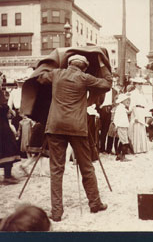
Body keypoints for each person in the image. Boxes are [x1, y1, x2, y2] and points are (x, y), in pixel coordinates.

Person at [37, 54, 111, 221]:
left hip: (55, 126)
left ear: (69, 64)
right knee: (86, 166)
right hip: (77, 127)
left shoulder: (57, 74)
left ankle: (56, 212)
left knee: (56, 170)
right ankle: (95, 203)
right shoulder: (84, 77)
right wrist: (102, 64)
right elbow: (107, 83)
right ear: (84, 67)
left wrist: (55, 63)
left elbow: (40, 78)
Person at [0, 70, 21, 185]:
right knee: (8, 144)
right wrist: (9, 110)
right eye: (2, 78)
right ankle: (7, 176)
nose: (2, 80)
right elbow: (2, 106)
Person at [128, 77, 149, 154]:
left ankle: (142, 147)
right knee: (136, 128)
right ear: (135, 85)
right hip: (136, 110)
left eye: (141, 84)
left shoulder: (141, 93)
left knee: (141, 128)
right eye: (139, 84)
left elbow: (145, 104)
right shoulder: (133, 93)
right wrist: (135, 115)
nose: (140, 86)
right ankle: (136, 148)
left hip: (141, 111)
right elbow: (133, 105)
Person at [98, 81, 118, 154]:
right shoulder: (102, 90)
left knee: (109, 129)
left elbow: (116, 101)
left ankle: (108, 149)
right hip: (102, 109)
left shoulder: (115, 91)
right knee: (101, 129)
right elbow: (98, 100)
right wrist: (100, 106)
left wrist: (112, 106)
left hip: (111, 110)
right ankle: (101, 147)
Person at [113, 93, 132, 161]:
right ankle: (122, 156)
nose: (127, 101)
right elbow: (116, 118)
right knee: (125, 142)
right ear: (122, 101)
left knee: (122, 141)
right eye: (126, 100)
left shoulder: (122, 108)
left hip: (123, 126)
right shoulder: (120, 108)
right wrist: (116, 126)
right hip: (121, 126)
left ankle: (118, 155)